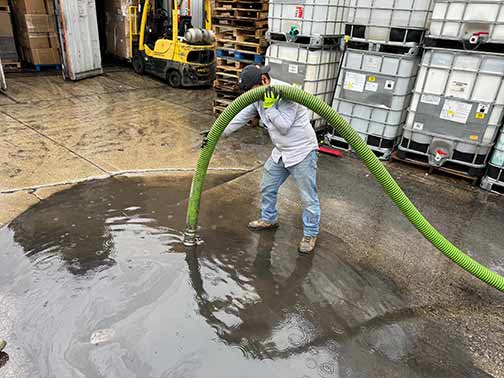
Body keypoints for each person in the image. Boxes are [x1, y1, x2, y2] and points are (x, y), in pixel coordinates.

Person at [223, 65, 321, 254]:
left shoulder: (287, 95)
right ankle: (269, 218)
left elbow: (284, 126)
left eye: (251, 91)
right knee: (268, 186)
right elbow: (240, 116)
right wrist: (217, 132)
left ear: (264, 81)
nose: (251, 95)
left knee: (308, 197)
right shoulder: (259, 96)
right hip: (281, 151)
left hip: (302, 152)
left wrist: (269, 108)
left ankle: (310, 233)